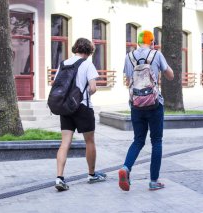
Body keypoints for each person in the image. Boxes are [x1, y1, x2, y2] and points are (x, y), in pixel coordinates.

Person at [119, 30, 174, 191]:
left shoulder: (129, 57)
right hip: (154, 103)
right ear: (152, 42)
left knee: (138, 140)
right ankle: (154, 181)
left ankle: (126, 168)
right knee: (156, 141)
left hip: (136, 105)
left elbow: (128, 81)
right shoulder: (156, 54)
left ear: (138, 43)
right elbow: (170, 75)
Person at [55, 38, 107, 191]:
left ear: (75, 48)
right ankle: (91, 175)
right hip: (83, 107)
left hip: (65, 107)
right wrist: (83, 93)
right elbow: (93, 87)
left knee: (65, 143)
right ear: (89, 51)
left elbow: (55, 84)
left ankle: (59, 178)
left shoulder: (64, 63)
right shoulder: (87, 64)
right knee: (89, 141)